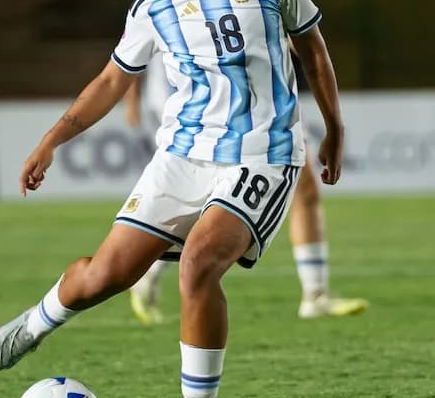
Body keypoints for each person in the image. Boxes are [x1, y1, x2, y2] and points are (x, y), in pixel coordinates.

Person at [0, 0, 346, 398]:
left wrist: (334, 127)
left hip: (262, 154)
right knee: (104, 275)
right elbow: (111, 81)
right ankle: (35, 324)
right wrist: (52, 139)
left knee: (198, 264)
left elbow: (314, 52)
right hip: (182, 155)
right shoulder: (154, 3)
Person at [124, 20, 368, 324]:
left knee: (297, 188)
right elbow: (139, 40)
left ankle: (315, 293)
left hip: (245, 100)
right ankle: (314, 294)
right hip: (214, 105)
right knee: (220, 199)